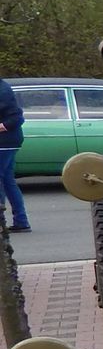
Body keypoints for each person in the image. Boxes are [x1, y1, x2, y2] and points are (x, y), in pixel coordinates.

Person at [0, 76, 28, 232]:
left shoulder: (3, 91)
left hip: (4, 142)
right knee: (8, 181)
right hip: (9, 141)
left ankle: (1, 223)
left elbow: (16, 118)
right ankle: (21, 221)